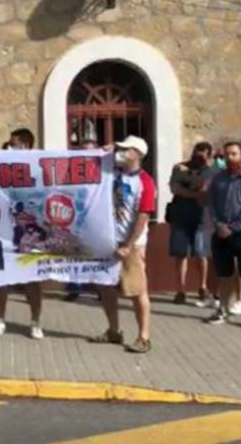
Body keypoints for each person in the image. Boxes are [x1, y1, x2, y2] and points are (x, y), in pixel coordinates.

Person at [89, 136, 155, 353]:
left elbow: (143, 216)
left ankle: (143, 336)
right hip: (108, 239)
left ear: (137, 154)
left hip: (131, 244)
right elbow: (90, 164)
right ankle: (113, 330)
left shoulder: (144, 182)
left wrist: (129, 244)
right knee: (106, 288)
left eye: (126, 149)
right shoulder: (112, 173)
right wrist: (105, 150)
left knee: (137, 290)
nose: (121, 152)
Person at [0, 128, 45, 340]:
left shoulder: (39, 166)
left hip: (30, 231)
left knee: (33, 280)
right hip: (4, 229)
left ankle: (35, 322)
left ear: (24, 145)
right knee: (1, 278)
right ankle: (0, 319)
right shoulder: (3, 166)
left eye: (13, 143)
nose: (9, 146)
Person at [206, 142, 241, 330]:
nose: (230, 158)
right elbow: (211, 205)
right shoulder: (218, 179)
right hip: (221, 233)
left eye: (234, 154)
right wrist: (220, 225)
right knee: (224, 274)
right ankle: (222, 309)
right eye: (227, 155)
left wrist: (234, 227)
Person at [167, 142, 216, 305]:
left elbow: (204, 191)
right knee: (180, 254)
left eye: (202, 155)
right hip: (180, 216)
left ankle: (202, 287)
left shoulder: (210, 172)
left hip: (201, 217)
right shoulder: (178, 168)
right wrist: (194, 193)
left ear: (208, 157)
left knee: (201, 253)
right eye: (196, 153)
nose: (197, 157)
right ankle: (180, 290)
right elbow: (175, 188)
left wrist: (187, 180)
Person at [64, 137, 99, 302]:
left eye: (91, 151)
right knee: (75, 253)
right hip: (77, 217)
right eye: (84, 151)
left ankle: (101, 288)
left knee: (99, 254)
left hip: (97, 218)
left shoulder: (103, 173)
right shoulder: (73, 173)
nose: (87, 155)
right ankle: (75, 288)